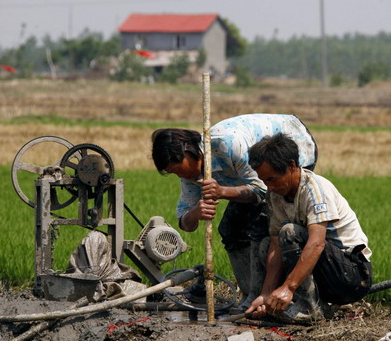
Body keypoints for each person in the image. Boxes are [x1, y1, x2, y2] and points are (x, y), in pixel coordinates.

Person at [151, 114, 317, 312]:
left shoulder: (227, 144)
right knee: (230, 228)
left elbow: (262, 189)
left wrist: (222, 191)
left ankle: (282, 298)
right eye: (175, 173)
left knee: (262, 225)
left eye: (181, 169)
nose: (183, 176)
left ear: (190, 151)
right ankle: (249, 295)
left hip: (292, 148)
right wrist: (196, 212)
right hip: (250, 180)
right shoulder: (189, 174)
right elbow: (185, 221)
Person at [245, 133, 372, 323]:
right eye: (264, 181)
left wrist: (288, 287)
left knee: (289, 232)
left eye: (272, 179)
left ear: (292, 166)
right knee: (266, 244)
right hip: (324, 270)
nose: (268, 187)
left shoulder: (315, 190)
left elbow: (316, 244)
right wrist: (266, 293)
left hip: (350, 275)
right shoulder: (276, 195)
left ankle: (309, 308)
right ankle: (303, 302)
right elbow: (276, 247)